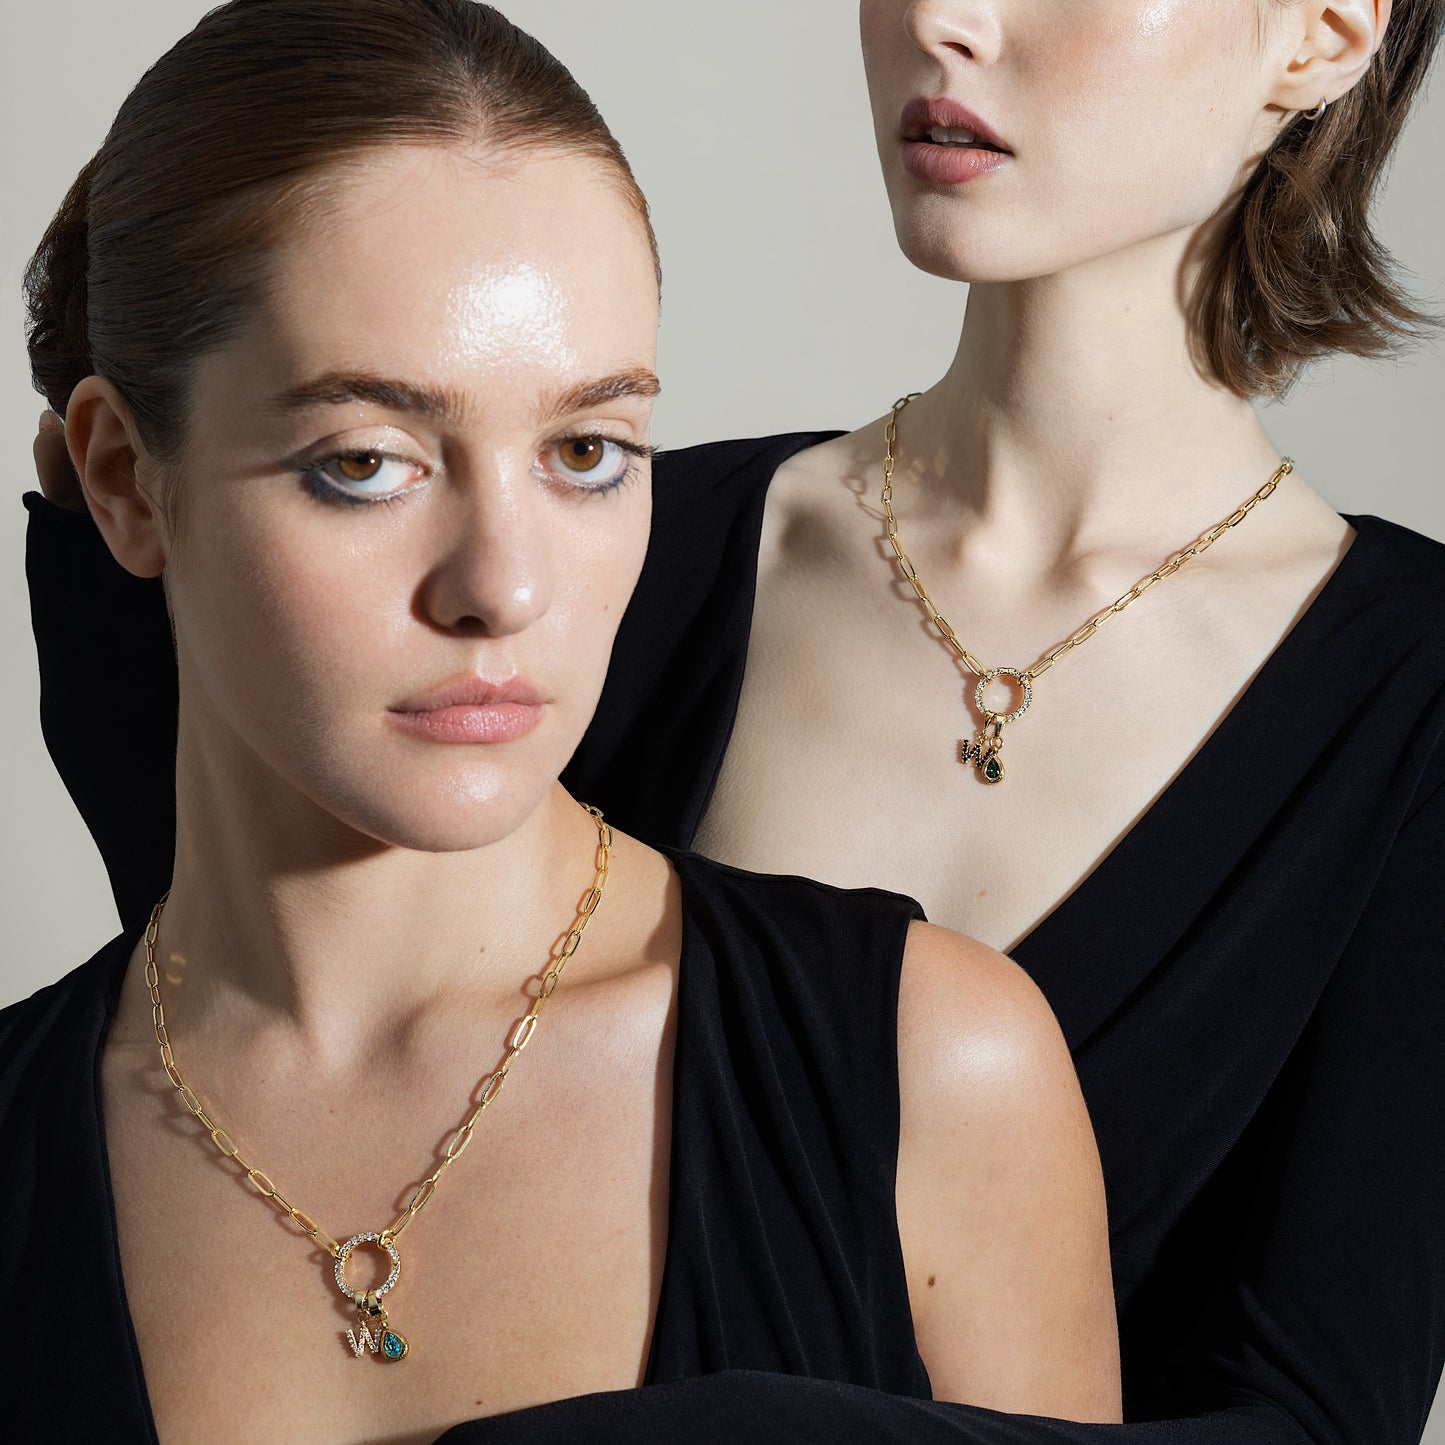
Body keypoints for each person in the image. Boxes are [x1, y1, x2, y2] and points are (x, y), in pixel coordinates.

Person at [20, 0, 1445, 1443]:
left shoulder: (1391, 706)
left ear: (1328, 28)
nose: (946, 19)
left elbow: (1325, 1393)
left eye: (587, 448)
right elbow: (273, 957)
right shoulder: (643, 548)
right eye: (366, 464)